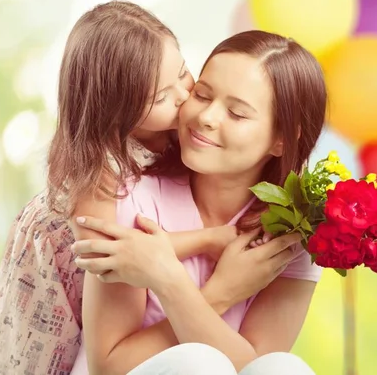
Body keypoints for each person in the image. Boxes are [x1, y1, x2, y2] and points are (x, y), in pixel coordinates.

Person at [0, 0, 259, 375]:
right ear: (115, 109)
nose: (182, 97)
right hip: (60, 292)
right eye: (160, 97)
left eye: (183, 73)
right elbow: (116, 254)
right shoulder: (96, 169)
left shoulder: (173, 133)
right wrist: (209, 240)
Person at [69, 30, 327, 374]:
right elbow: (109, 366)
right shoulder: (128, 198)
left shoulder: (293, 235)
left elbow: (253, 368)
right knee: (199, 362)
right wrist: (218, 292)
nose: (206, 117)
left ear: (280, 139)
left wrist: (171, 281)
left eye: (236, 113)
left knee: (285, 369)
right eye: (202, 95)